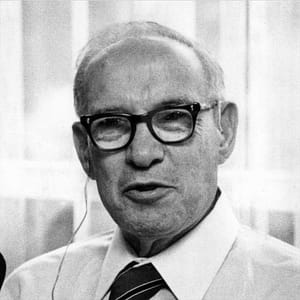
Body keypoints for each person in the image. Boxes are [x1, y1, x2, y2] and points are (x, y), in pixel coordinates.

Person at [1, 21, 300, 300]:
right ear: (84, 151)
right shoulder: (30, 288)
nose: (142, 155)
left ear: (224, 132)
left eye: (173, 118)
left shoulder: (289, 286)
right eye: (112, 123)